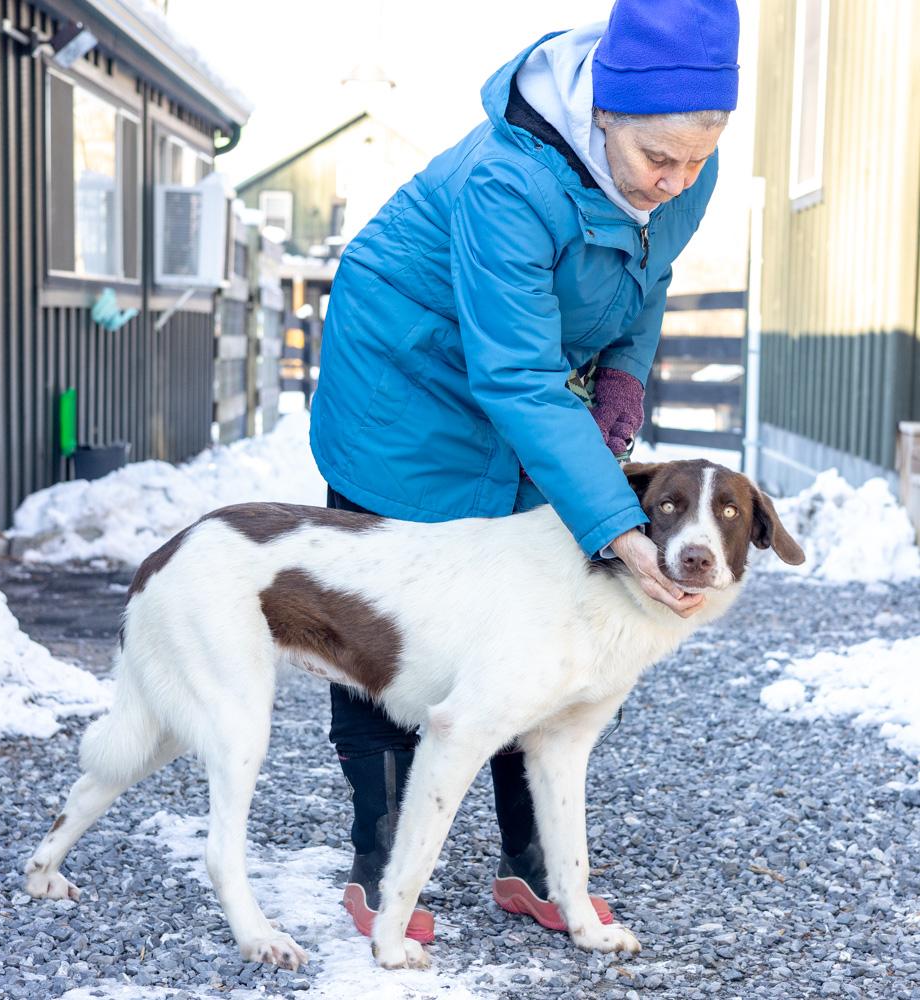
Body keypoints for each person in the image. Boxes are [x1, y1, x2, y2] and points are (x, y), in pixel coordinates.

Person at [309, 0, 740, 942]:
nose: (676, 181)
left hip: (531, 380)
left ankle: (534, 861)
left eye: (699, 158)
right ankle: (381, 858)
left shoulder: (679, 167)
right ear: (604, 115)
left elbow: (648, 274)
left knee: (546, 610)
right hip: (407, 379)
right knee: (385, 606)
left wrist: (623, 376)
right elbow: (513, 374)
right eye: (658, 159)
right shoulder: (510, 179)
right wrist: (617, 526)